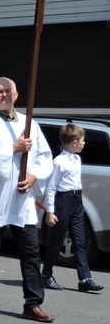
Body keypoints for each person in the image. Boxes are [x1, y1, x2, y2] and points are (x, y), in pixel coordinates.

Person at [0, 77, 54, 322]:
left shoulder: (29, 122)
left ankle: (33, 303)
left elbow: (45, 156)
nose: (3, 95)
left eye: (7, 91)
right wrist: (13, 148)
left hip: (21, 199)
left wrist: (34, 176)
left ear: (16, 95)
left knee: (30, 251)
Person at [41, 124, 104, 292]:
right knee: (56, 241)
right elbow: (51, 188)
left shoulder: (77, 158)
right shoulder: (59, 162)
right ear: (75, 141)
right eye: (83, 141)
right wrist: (50, 212)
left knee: (80, 240)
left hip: (77, 200)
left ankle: (85, 278)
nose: (84, 144)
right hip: (63, 201)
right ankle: (46, 275)